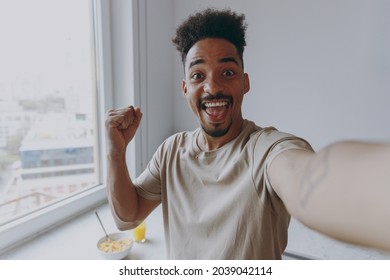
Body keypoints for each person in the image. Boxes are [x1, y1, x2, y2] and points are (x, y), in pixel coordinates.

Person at [105, 8, 390, 259]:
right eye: (198, 75)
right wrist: (115, 151)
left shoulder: (266, 150)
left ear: (245, 83)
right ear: (185, 89)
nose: (212, 87)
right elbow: (127, 218)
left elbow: (309, 179)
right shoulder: (170, 151)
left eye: (227, 73)